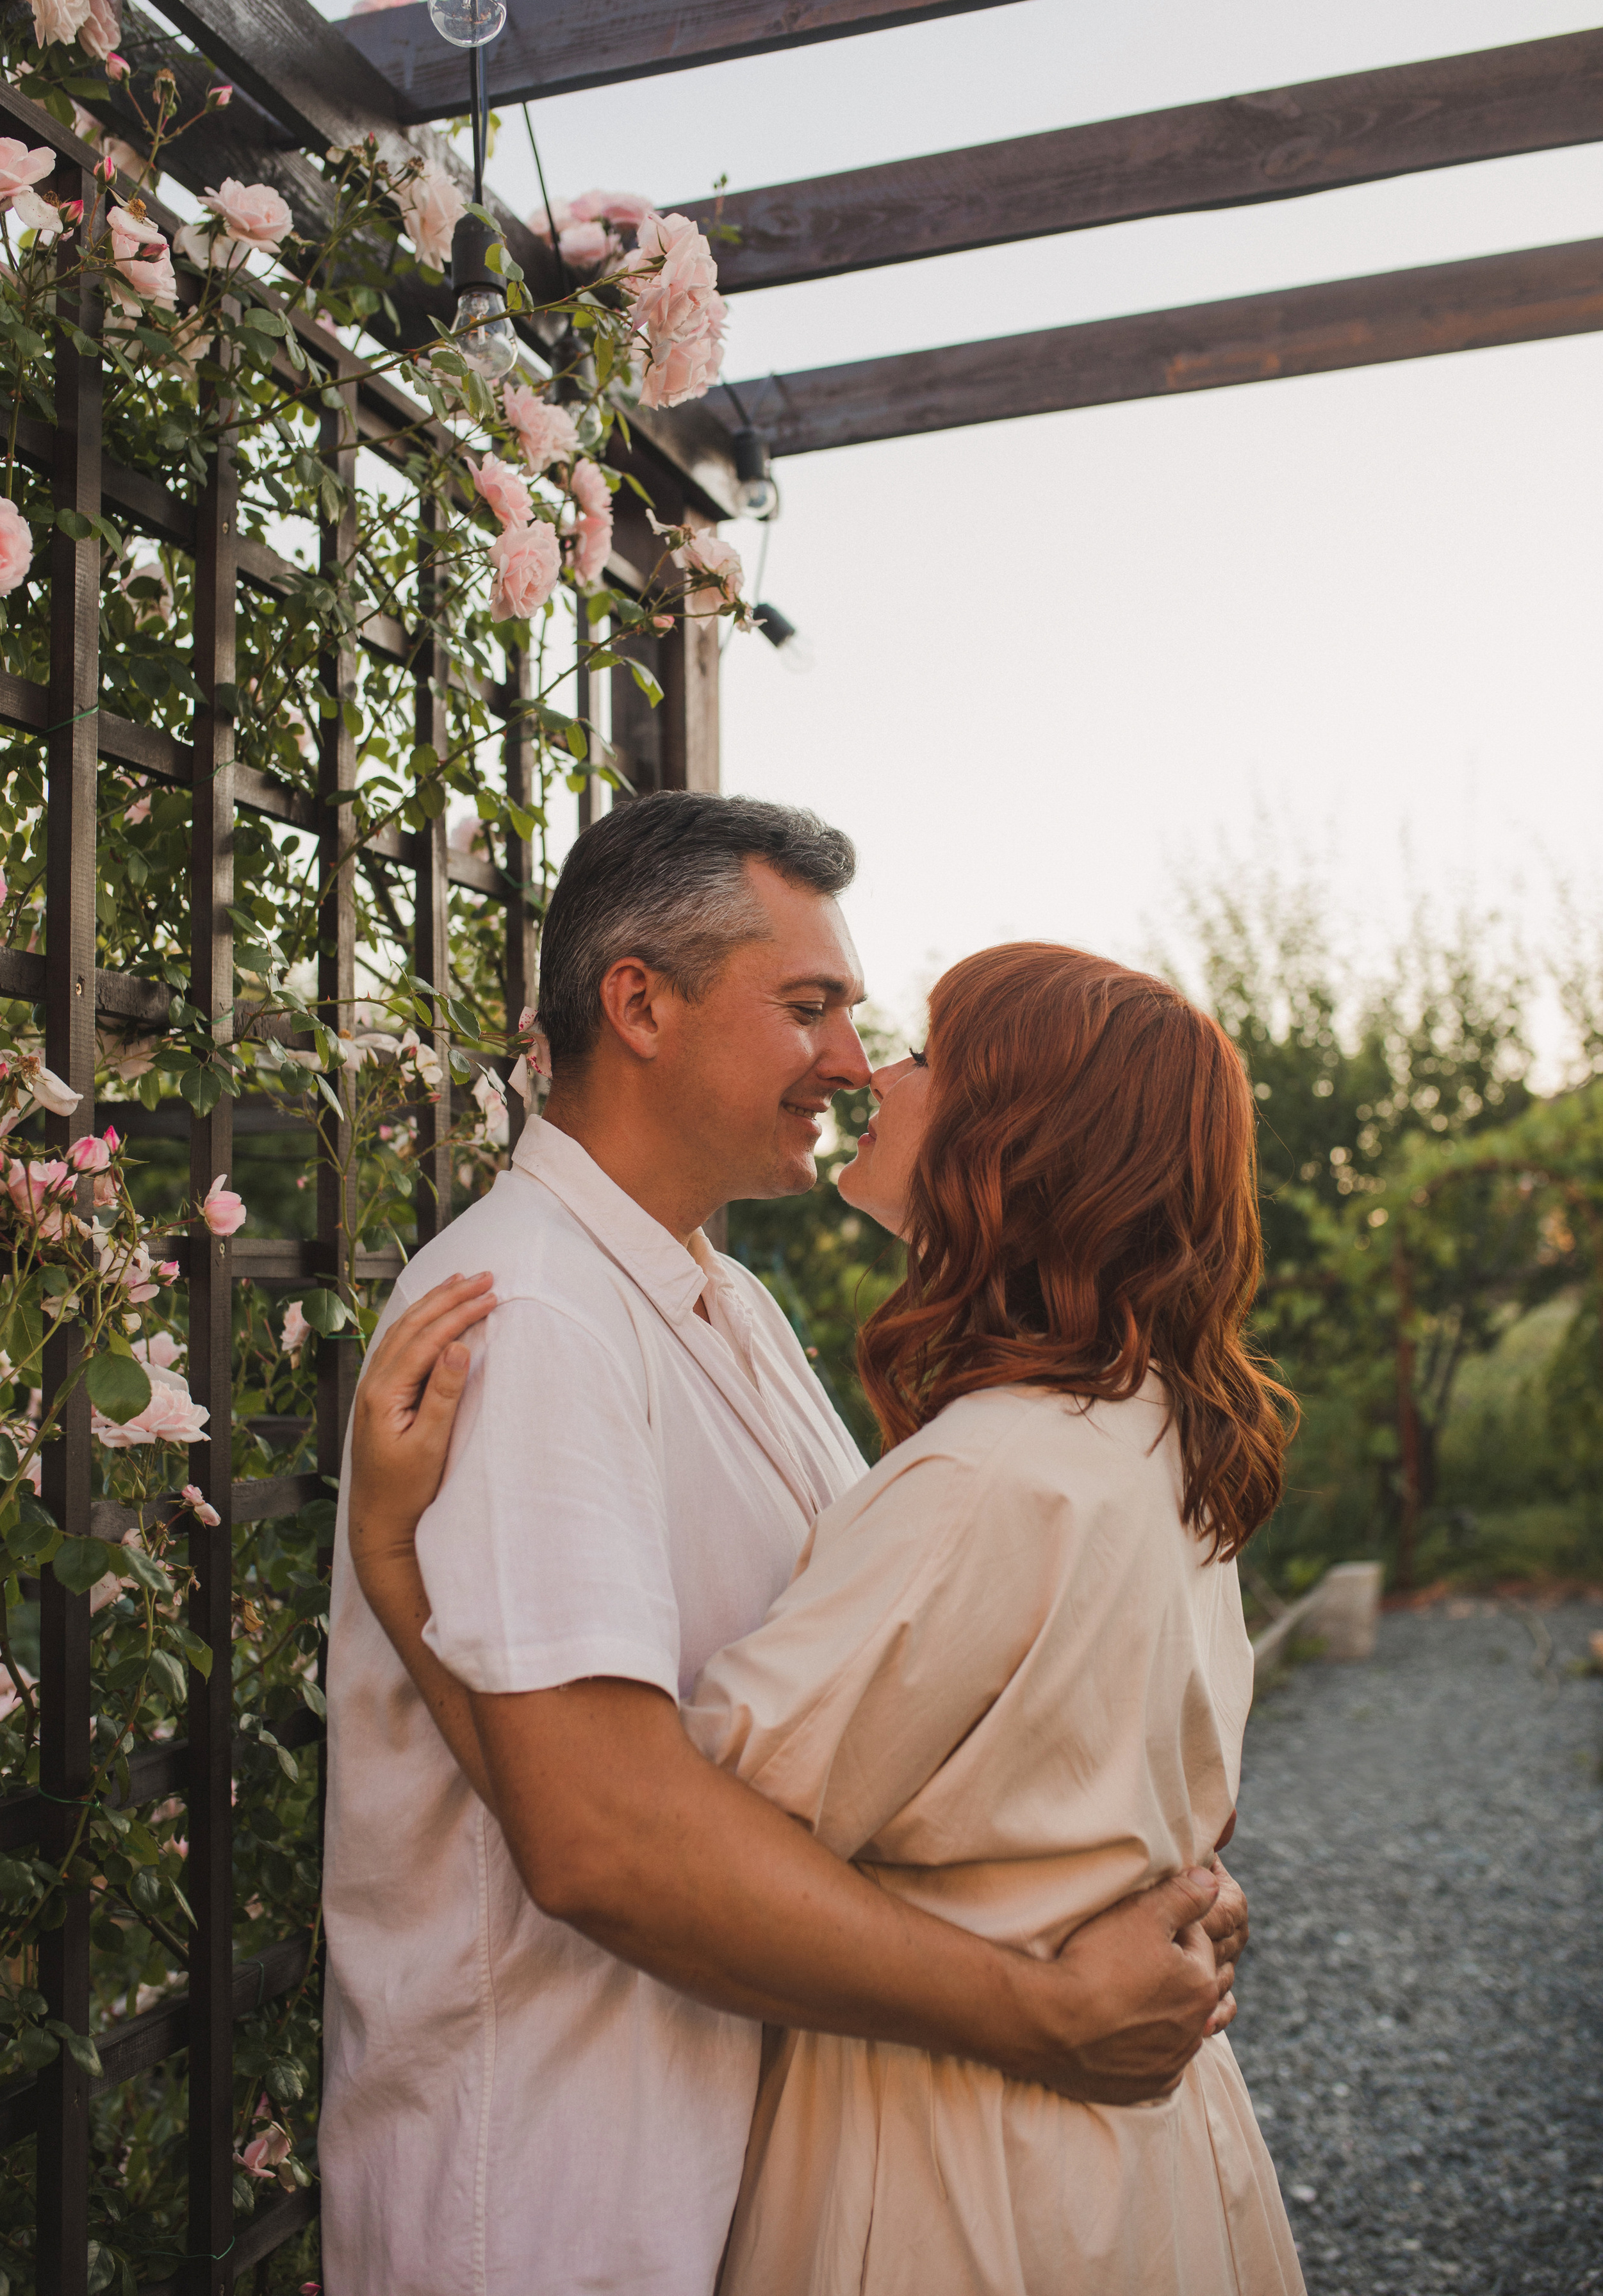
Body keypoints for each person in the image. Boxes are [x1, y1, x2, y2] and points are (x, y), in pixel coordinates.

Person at [322, 794, 1249, 2296]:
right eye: (808, 1007)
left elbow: (930, 1708)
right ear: (639, 1006)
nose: (849, 1061)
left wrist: (1130, 1877)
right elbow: (605, 1840)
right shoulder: (535, 1319)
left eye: (859, 1018)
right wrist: (1048, 2005)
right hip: (578, 2188)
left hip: (765, 2155)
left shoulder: (724, 1305)